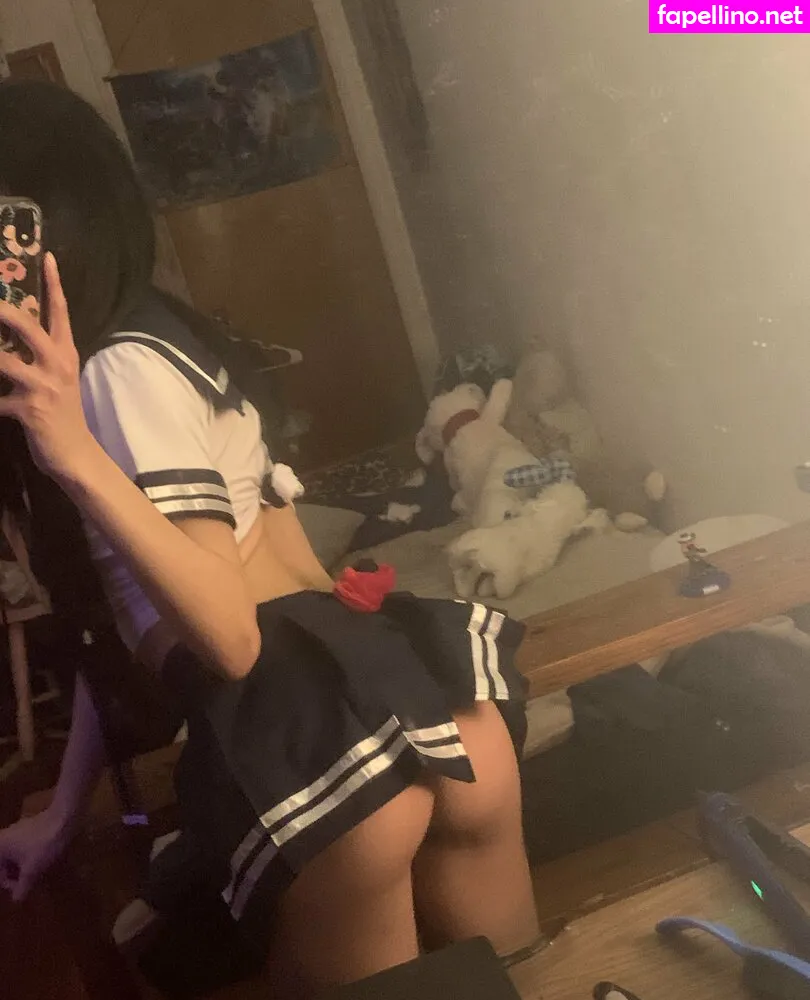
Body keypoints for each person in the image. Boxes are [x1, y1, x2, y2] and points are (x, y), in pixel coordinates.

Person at [0, 81, 539, 993]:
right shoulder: (162, 336)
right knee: (514, 984)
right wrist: (63, 809)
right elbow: (131, 614)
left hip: (313, 747)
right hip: (414, 700)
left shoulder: (114, 376)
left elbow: (230, 638)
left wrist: (72, 455)